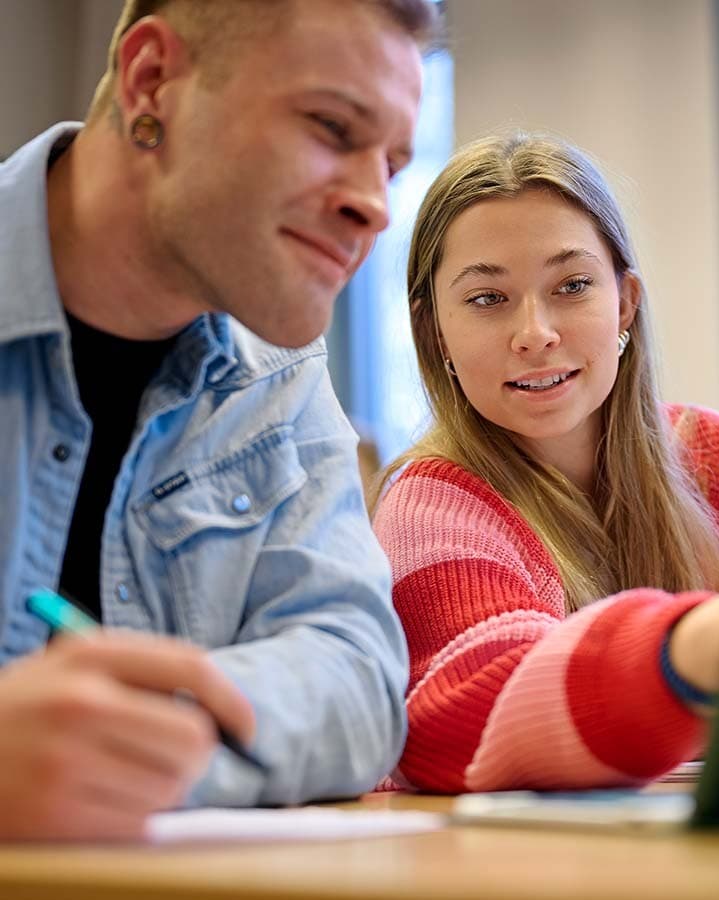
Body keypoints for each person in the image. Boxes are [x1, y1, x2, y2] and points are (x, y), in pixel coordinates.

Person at [0, 0, 436, 840]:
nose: (376, 205)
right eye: (332, 127)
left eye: (390, 163)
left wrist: (140, 746)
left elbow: (356, 680)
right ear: (152, 82)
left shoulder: (278, 375)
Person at [371, 133, 719, 793]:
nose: (535, 332)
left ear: (624, 302)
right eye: (487, 299)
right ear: (434, 332)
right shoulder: (427, 505)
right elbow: (467, 719)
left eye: (572, 285)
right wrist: (695, 648)